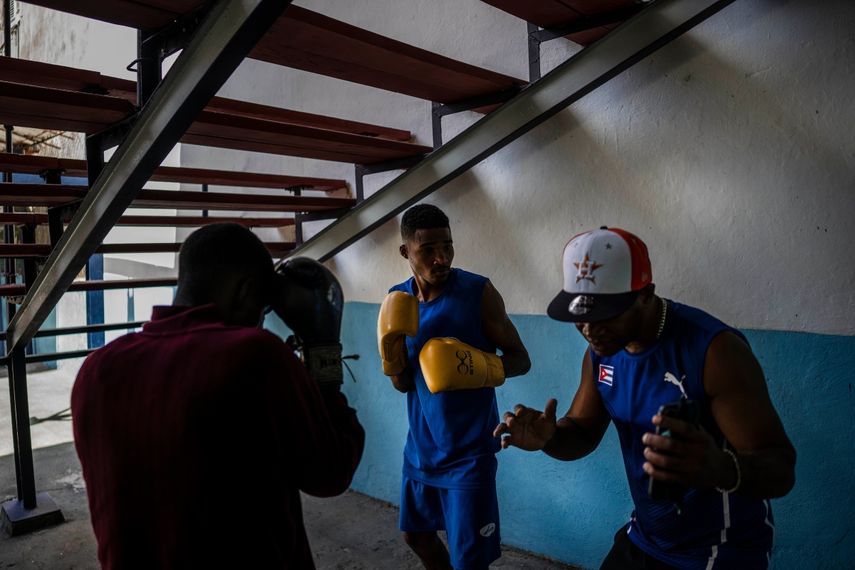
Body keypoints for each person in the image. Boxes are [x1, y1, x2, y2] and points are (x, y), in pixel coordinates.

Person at [494, 226, 796, 570]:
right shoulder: (601, 353)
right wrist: (549, 438)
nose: (590, 330)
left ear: (646, 294)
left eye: (605, 314)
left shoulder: (714, 351)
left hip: (719, 549)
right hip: (647, 536)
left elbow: (781, 468)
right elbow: (581, 431)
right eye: (581, 316)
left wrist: (721, 469)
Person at [71, 223, 365, 569]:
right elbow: (331, 472)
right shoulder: (255, 356)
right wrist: (323, 349)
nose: (259, 320)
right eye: (262, 308)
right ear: (246, 290)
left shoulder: (96, 369)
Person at [377, 204, 531, 570]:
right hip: (420, 451)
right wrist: (392, 356)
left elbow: (521, 359)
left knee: (470, 561)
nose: (441, 258)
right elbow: (403, 384)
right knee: (416, 536)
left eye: (447, 245)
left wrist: (477, 366)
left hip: (469, 456)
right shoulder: (398, 301)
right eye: (428, 249)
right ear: (405, 252)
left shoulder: (478, 292)